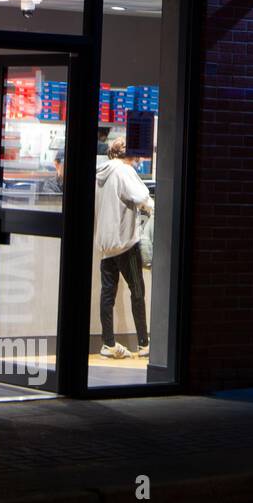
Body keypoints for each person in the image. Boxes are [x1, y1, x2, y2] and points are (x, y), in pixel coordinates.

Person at [94, 137, 153, 359]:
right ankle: (144, 344)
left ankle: (108, 343)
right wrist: (153, 207)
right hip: (125, 241)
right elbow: (141, 196)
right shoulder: (124, 170)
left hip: (106, 243)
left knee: (107, 294)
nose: (138, 161)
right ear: (131, 154)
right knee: (137, 291)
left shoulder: (103, 172)